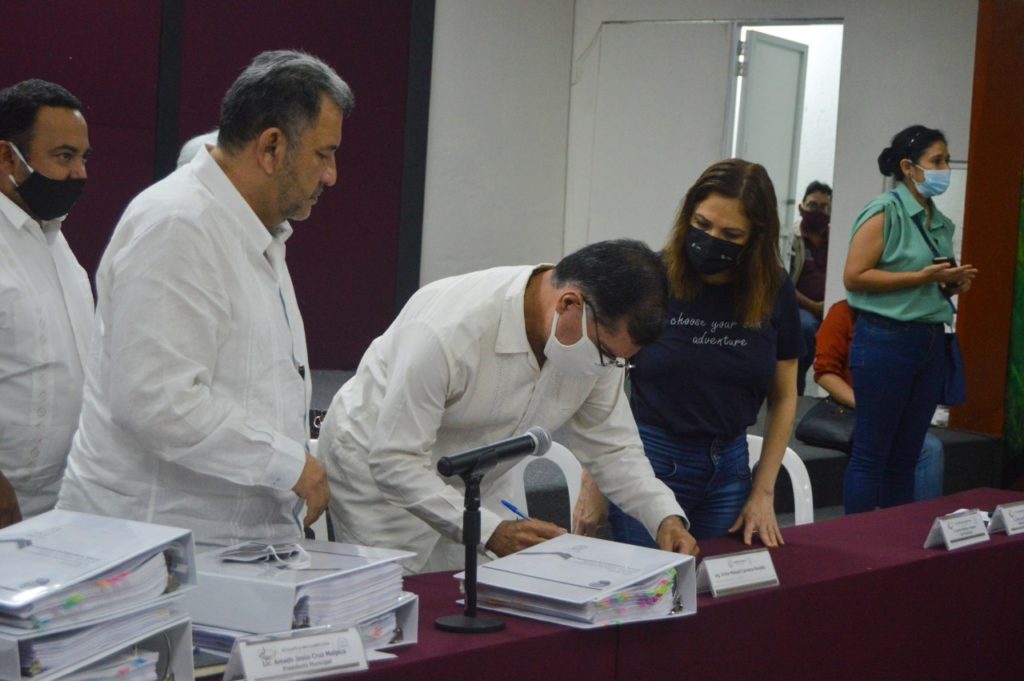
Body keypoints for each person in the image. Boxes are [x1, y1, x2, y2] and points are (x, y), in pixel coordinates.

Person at [57, 50, 353, 545]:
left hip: (223, 544)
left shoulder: (255, 229)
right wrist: (289, 464)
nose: (331, 175)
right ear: (272, 147)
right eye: (323, 154)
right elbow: (159, 401)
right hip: (152, 544)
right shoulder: (179, 225)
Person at [318, 239, 698, 573]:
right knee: (394, 599)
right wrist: (490, 531)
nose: (608, 367)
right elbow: (394, 461)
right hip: (378, 477)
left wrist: (664, 515)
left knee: (479, 596)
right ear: (569, 303)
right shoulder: (447, 330)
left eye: (619, 361)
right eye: (605, 354)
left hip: (477, 481)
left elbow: (612, 448)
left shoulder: (596, 343)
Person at [607, 159, 801, 548]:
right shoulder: (652, 279)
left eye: (731, 234)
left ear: (755, 238)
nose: (711, 240)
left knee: (716, 582)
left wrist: (764, 491)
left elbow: (784, 395)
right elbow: (603, 382)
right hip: (652, 463)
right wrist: (595, 481)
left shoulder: (773, 288)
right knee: (654, 583)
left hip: (731, 467)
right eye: (702, 224)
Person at [842, 125, 976, 513]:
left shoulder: (939, 220)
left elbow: (932, 281)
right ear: (908, 167)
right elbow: (854, 276)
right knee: (870, 455)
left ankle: (893, 540)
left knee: (907, 456)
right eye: (937, 161)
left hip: (930, 341)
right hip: (885, 339)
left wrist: (954, 283)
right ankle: (856, 540)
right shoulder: (885, 210)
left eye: (946, 160)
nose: (945, 169)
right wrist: (921, 277)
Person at [0, 80, 94, 528]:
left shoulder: (55, 239)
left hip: (63, 505)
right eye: (64, 156)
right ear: (7, 157)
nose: (80, 173)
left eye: (84, 157)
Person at [814, 300, 945, 500]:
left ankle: (912, 515)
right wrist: (866, 403)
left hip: (897, 410)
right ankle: (920, 515)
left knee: (918, 448)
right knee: (928, 449)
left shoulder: (918, 321)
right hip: (858, 410)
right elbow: (825, 373)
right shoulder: (844, 312)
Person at [786, 181, 832, 395]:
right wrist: (815, 306)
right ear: (801, 207)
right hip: (801, 307)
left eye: (824, 207)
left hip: (834, 306)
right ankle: (795, 392)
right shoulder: (790, 238)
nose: (818, 211)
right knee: (804, 328)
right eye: (813, 205)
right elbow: (783, 283)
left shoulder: (839, 237)